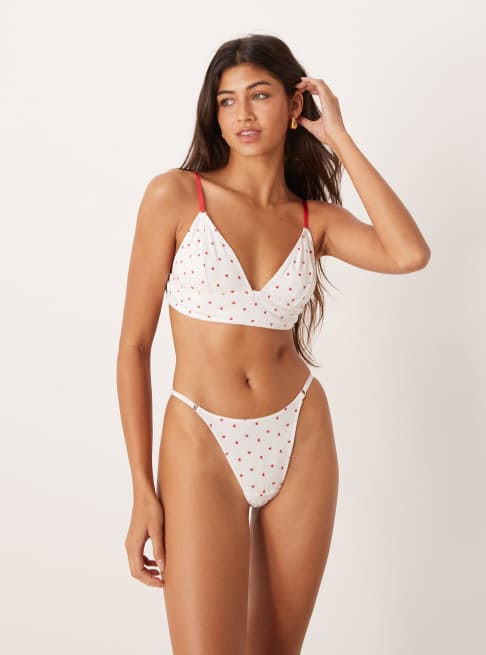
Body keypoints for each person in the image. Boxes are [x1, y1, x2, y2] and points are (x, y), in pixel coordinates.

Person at [116, 33, 430, 654]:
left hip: (300, 433)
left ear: (294, 106)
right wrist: (141, 491)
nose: (243, 114)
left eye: (259, 96)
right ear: (214, 114)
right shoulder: (175, 196)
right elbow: (133, 346)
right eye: (227, 100)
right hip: (200, 438)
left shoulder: (314, 220)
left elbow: (408, 253)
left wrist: (339, 137)